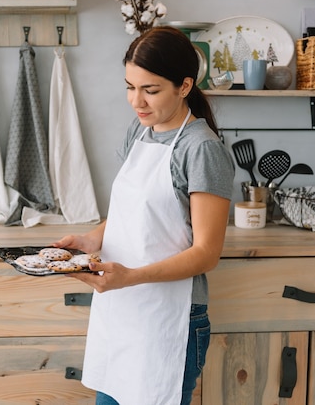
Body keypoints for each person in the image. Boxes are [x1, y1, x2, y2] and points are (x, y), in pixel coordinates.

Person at [53, 26, 235, 405]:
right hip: (123, 308)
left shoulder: (201, 149)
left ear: (184, 86)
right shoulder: (140, 131)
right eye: (130, 86)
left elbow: (207, 253)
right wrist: (93, 238)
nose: (137, 101)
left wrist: (132, 277)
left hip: (169, 318)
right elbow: (134, 210)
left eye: (150, 90)